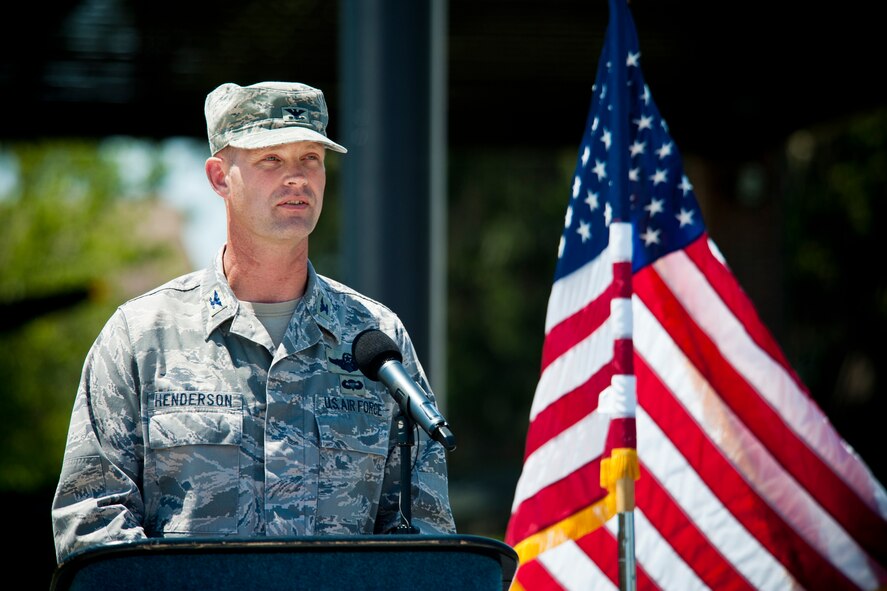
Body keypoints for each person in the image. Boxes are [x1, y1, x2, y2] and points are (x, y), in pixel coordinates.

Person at [50, 81, 456, 564]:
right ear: (220, 177)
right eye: (271, 160)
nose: (297, 178)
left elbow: (424, 534)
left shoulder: (375, 339)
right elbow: (93, 524)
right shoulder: (141, 338)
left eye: (311, 158)